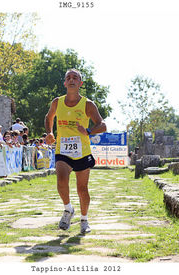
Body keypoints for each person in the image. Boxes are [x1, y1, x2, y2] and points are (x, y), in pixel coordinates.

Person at [44, 68, 106, 234]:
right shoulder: (57, 102)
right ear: (65, 83)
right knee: (61, 179)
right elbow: (49, 117)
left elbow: (102, 125)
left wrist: (89, 131)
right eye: (68, 78)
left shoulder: (87, 104)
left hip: (82, 152)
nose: (71, 80)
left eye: (75, 78)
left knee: (82, 188)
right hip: (62, 149)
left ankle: (84, 220)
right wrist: (50, 132)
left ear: (80, 83)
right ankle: (68, 209)